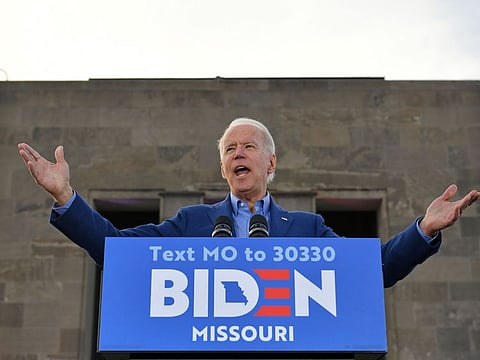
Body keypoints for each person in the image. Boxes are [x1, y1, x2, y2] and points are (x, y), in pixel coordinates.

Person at [18, 118, 479, 287]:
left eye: (248, 146)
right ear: (223, 169)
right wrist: (65, 196)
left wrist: (423, 230)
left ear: (270, 161)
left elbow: (373, 270)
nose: (238, 153)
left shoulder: (308, 228)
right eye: (229, 150)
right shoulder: (192, 221)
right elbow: (117, 252)